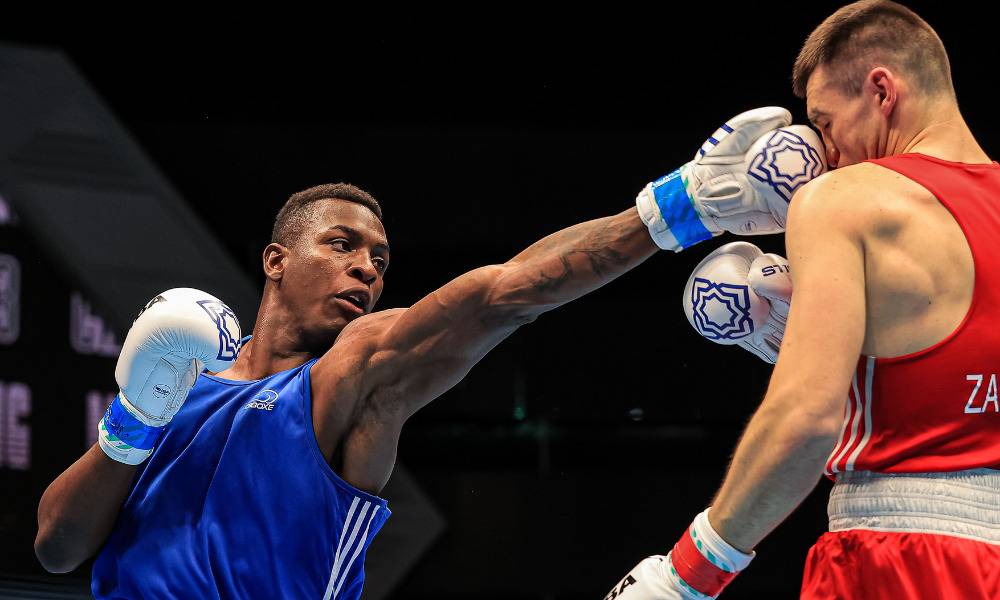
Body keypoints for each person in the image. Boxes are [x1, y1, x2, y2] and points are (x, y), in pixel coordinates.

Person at [33, 109, 823, 598]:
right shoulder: (176, 386)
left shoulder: (354, 373)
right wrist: (135, 418)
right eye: (342, 246)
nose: (366, 269)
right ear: (275, 260)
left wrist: (684, 206)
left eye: (379, 260)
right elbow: (59, 549)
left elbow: (505, 293)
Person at [607, 1, 1000, 598]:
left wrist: (685, 577)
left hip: (900, 560)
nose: (825, 152)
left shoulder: (842, 199)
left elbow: (806, 422)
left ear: (881, 89)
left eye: (825, 121)